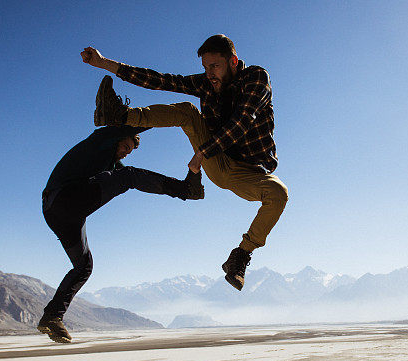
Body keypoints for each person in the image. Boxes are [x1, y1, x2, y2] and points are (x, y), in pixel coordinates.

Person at [82, 34, 288, 291]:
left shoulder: (256, 79)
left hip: (249, 173)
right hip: (220, 165)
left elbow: (243, 120)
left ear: (233, 61)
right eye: (205, 67)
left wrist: (203, 152)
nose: (209, 73)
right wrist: (104, 63)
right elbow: (160, 80)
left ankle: (240, 257)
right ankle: (121, 115)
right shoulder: (205, 83)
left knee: (278, 193)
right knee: (188, 112)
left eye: (215, 66)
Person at [38, 125, 204, 343]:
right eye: (125, 146)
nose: (126, 152)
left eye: (130, 150)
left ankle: (52, 317)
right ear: (115, 139)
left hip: (60, 215)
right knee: (129, 176)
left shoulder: (112, 165)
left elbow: (134, 178)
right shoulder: (99, 143)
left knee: (84, 266)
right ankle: (186, 190)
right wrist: (167, 117)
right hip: (63, 199)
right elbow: (129, 147)